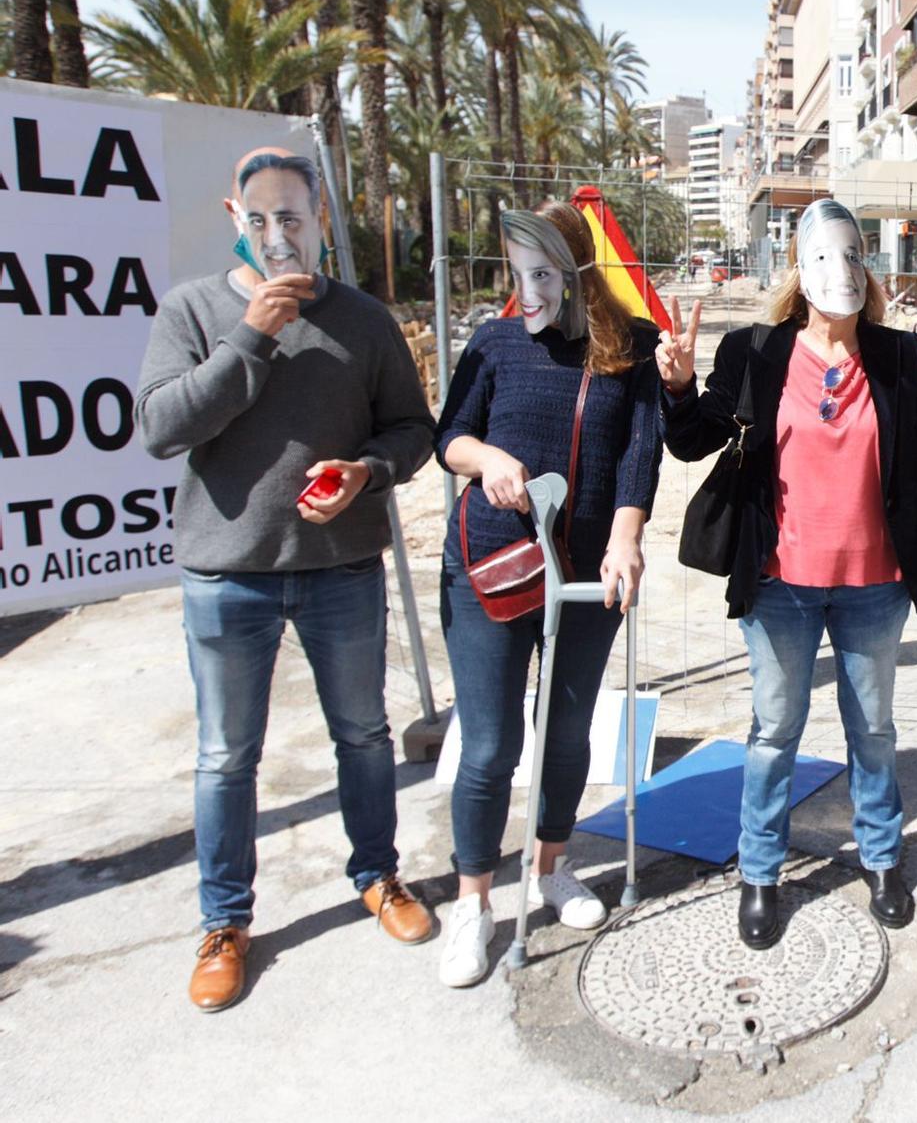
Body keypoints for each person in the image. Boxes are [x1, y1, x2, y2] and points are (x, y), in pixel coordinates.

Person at [658, 198, 917, 949]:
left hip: (875, 584)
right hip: (780, 582)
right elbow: (692, 442)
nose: (840, 270)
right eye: (825, 256)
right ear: (800, 267)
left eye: (853, 256)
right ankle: (759, 871)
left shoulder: (901, 360)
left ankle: (882, 858)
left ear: (866, 267)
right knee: (774, 729)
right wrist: (680, 385)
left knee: (874, 730)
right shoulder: (754, 353)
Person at [137, 147, 437, 1012]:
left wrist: (367, 474)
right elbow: (161, 427)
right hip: (225, 577)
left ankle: (378, 876)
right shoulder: (193, 310)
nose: (278, 236)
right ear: (237, 221)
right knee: (227, 757)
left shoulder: (366, 319)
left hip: (340, 568)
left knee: (365, 736)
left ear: (322, 222)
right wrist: (252, 337)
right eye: (260, 220)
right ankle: (225, 922)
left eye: (293, 218)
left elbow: (411, 430)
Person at [433, 202, 662, 988]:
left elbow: (641, 454)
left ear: (575, 272)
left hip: (586, 574)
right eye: (515, 273)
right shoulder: (495, 344)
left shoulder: (628, 349)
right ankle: (475, 902)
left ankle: (552, 865)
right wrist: (484, 458)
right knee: (490, 746)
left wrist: (627, 537)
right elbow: (447, 436)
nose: (525, 292)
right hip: (492, 567)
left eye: (541, 275)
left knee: (567, 733)